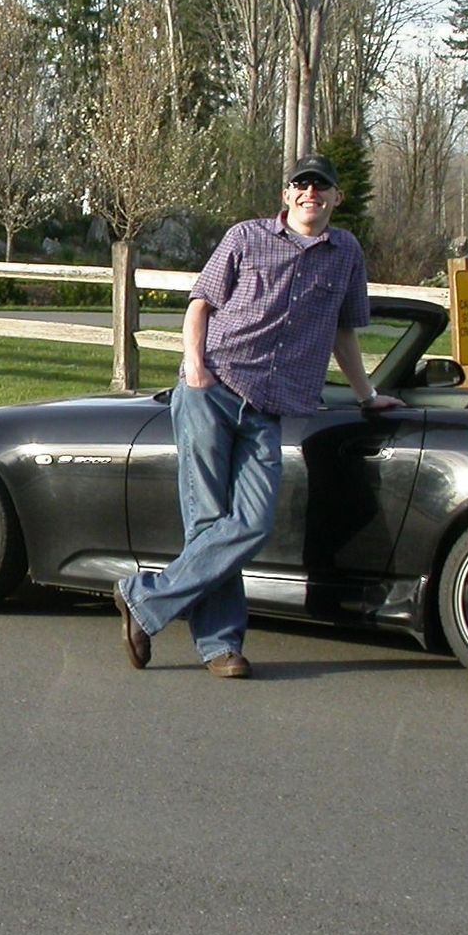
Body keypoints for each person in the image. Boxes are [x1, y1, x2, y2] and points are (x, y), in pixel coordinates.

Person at [114, 153, 401, 678]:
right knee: (208, 520)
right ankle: (221, 647)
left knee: (252, 522)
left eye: (321, 186)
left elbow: (343, 332)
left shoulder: (346, 253)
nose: (311, 193)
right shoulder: (246, 237)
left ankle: (144, 597)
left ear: (336, 198)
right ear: (287, 195)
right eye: (302, 184)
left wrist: (367, 396)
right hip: (213, 388)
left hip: (269, 406)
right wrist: (194, 366)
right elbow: (201, 304)